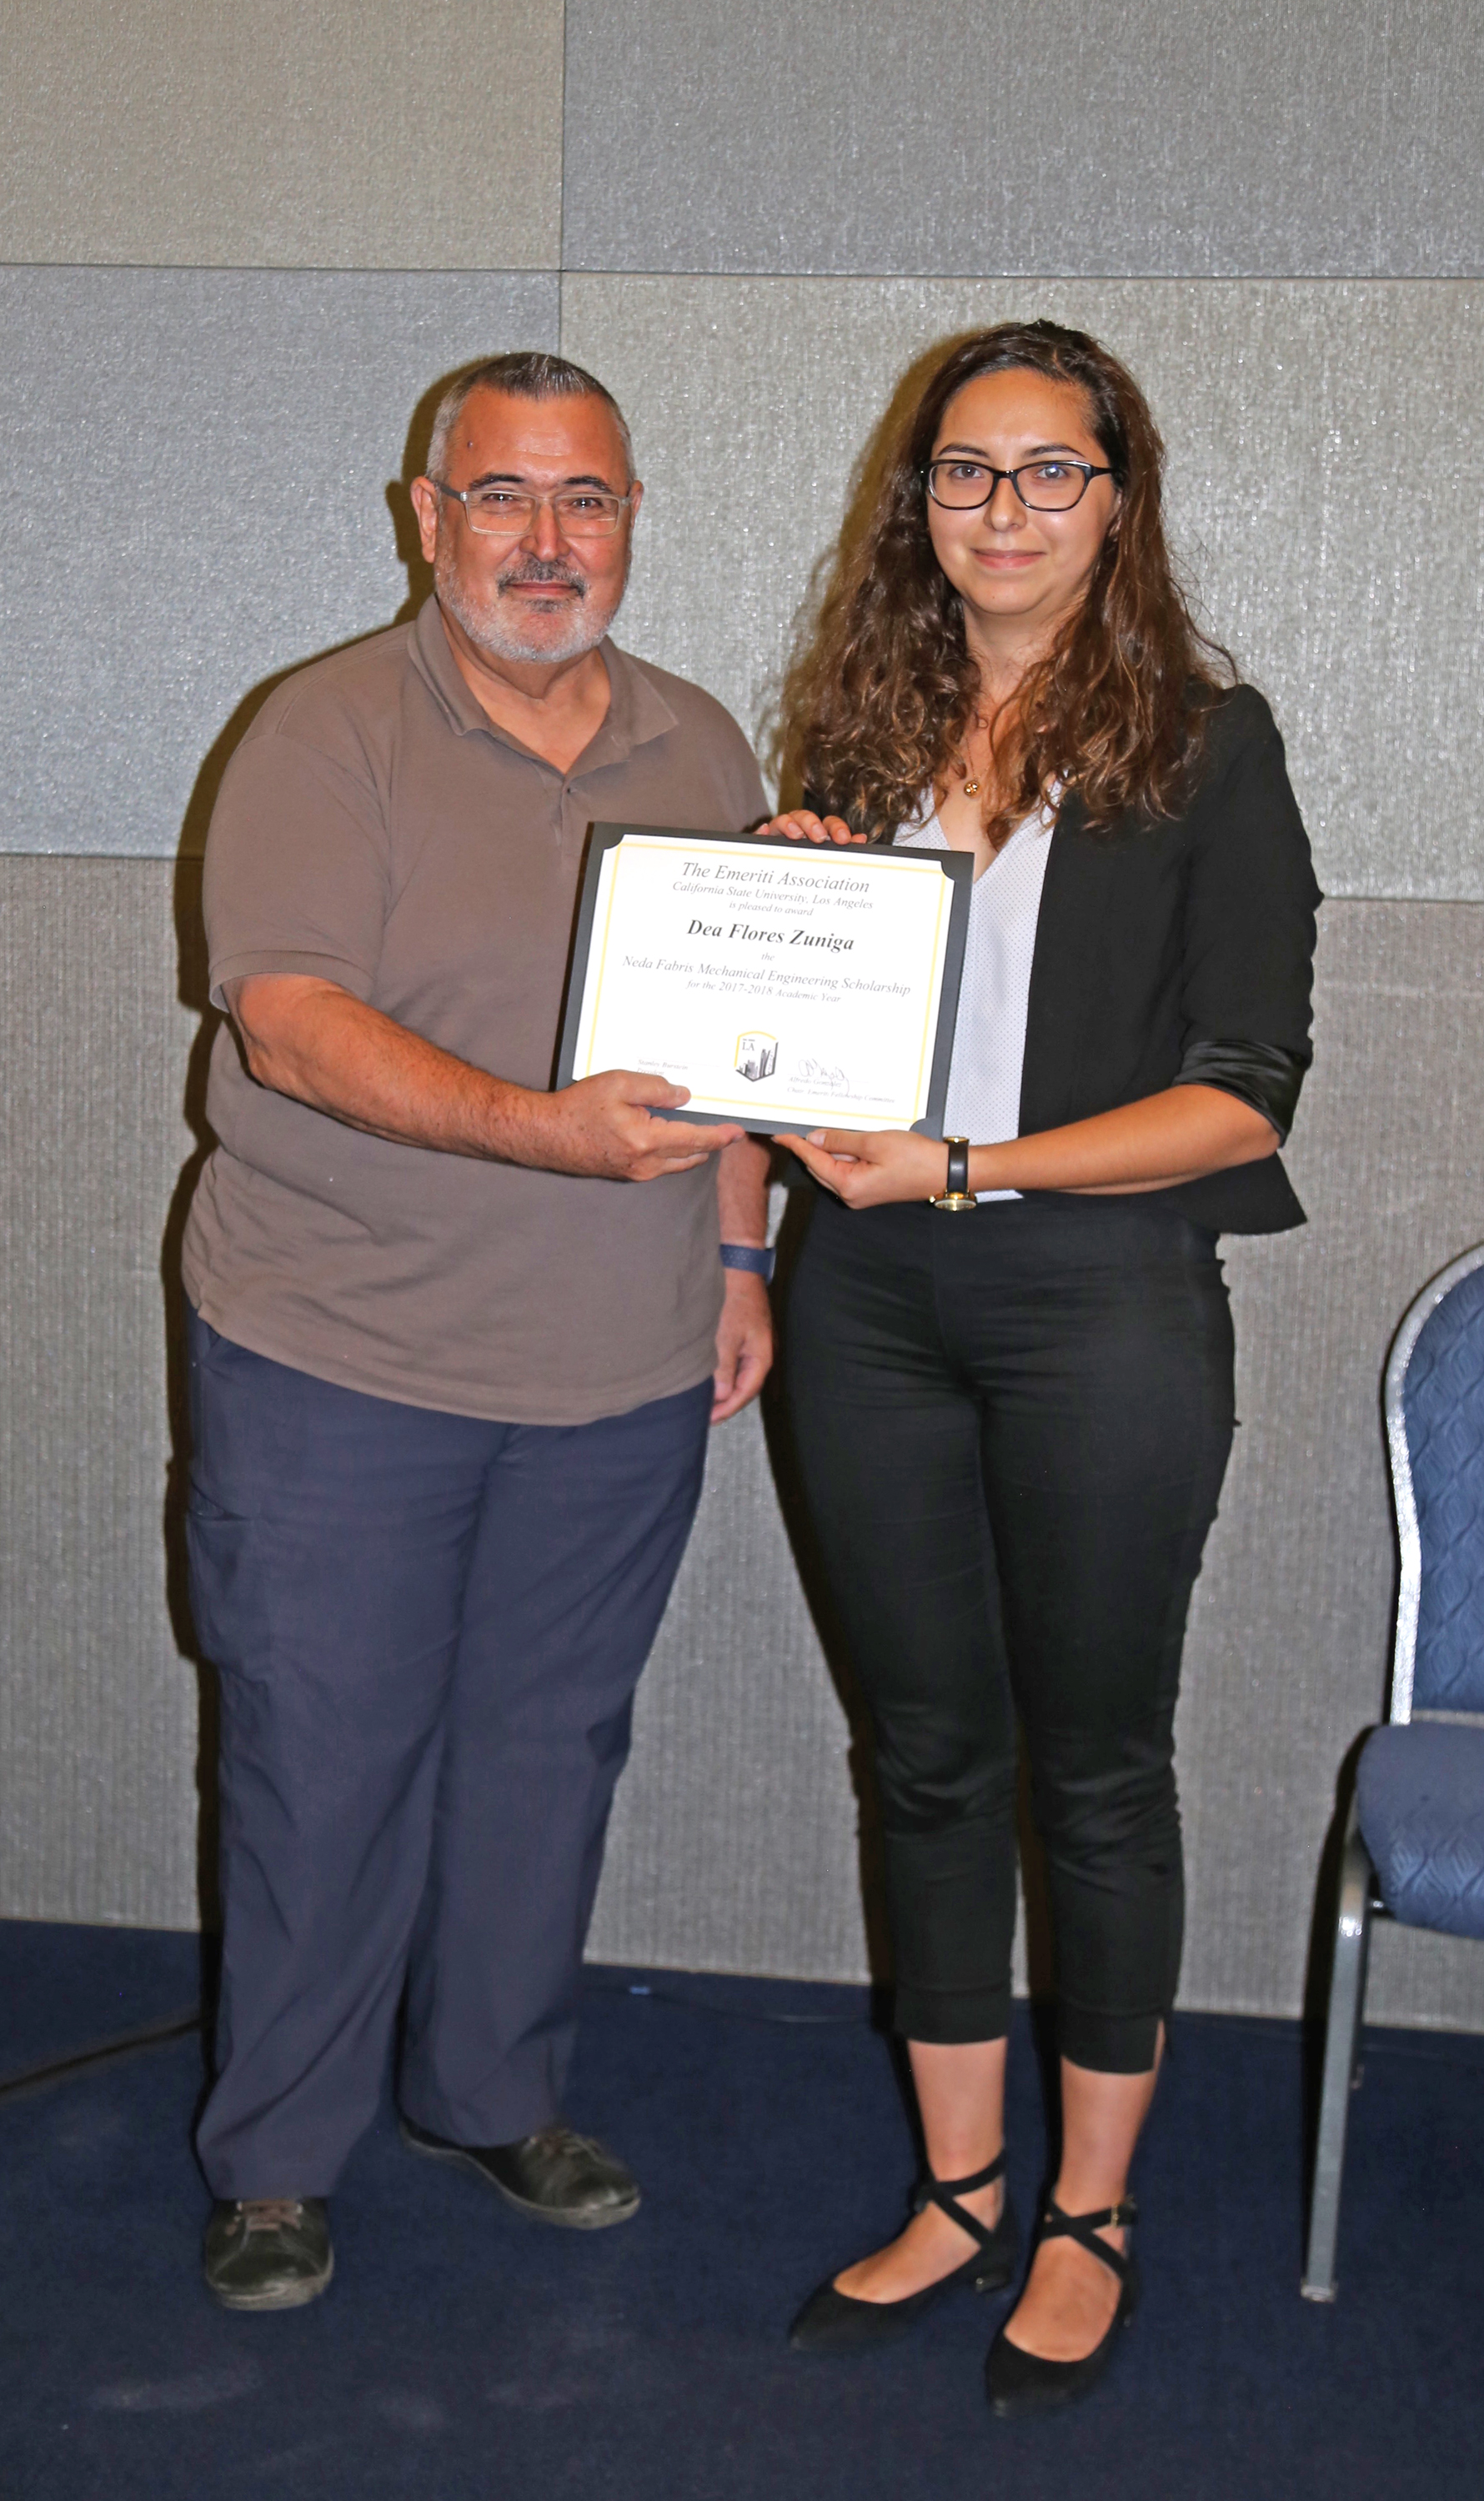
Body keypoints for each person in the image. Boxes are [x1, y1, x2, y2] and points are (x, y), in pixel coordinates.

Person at [763, 320, 1319, 2414]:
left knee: (1090, 1767)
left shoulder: (1202, 741)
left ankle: (1087, 2214)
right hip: (866, 1305)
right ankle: (959, 2185)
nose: (1001, 511)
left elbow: (1242, 1097)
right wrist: (768, 922)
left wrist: (969, 1165)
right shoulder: (849, 737)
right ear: (914, 506)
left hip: (1097, 1304)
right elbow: (781, 1061)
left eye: (1048, 471)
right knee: (921, 1756)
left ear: (1117, 494)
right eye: (961, 474)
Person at [181, 352, 775, 2311]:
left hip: (614, 1373)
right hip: (337, 1360)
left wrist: (742, 1255)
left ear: (629, 517)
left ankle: (489, 2086)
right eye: (502, 499)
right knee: (319, 1756)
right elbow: (287, 1015)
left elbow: (744, 1060)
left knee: (546, 1752)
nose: (544, 542)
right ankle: (277, 2156)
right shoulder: (322, 729)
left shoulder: (700, 747)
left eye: (584, 500)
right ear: (425, 514)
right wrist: (536, 1130)